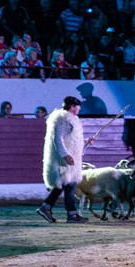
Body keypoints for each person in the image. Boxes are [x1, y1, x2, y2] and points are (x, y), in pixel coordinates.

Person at [37, 95, 91, 223]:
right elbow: (58, 138)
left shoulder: (68, 120)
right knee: (69, 184)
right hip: (67, 159)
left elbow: (72, 141)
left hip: (68, 158)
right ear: (72, 107)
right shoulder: (65, 120)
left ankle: (47, 207)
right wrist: (65, 155)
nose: (79, 109)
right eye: (78, 107)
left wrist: (86, 142)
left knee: (63, 183)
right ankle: (71, 214)